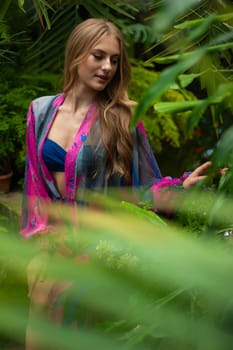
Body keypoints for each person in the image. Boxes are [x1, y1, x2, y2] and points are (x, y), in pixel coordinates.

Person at [20, 18, 212, 349]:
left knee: (61, 296)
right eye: (98, 56)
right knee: (41, 288)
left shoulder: (122, 116)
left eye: (114, 60)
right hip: (52, 239)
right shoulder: (40, 112)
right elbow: (35, 186)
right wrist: (41, 244)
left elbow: (141, 190)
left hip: (100, 243)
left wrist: (182, 188)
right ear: (77, 54)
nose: (107, 67)